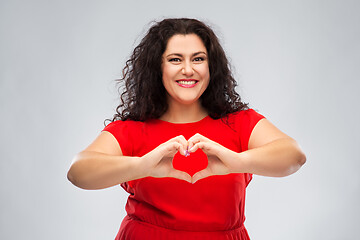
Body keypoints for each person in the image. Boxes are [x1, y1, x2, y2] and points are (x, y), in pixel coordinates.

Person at [67, 18, 306, 240]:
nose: (188, 70)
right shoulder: (131, 130)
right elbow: (78, 172)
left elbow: (294, 156)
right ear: (157, 67)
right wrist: (142, 165)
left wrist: (237, 161)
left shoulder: (239, 123)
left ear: (211, 67)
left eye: (198, 59)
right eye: (175, 59)